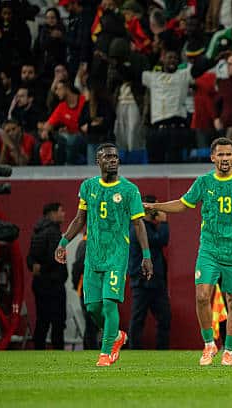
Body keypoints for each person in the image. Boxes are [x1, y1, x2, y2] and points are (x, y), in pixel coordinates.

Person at [144, 137, 232, 366]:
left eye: (228, 155)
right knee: (202, 295)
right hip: (210, 249)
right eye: (220, 155)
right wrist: (156, 206)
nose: (225, 159)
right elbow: (184, 204)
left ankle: (229, 351)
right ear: (212, 157)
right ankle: (209, 345)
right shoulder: (204, 182)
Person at [54, 143, 153, 366]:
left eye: (115, 157)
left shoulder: (129, 190)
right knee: (93, 308)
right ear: (97, 161)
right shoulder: (88, 187)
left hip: (117, 256)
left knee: (109, 304)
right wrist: (63, 242)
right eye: (107, 157)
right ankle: (116, 335)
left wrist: (146, 255)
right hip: (93, 256)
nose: (113, 160)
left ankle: (105, 353)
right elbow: (80, 218)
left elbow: (138, 223)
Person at [128, 195, 171, 350]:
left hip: (156, 281)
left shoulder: (150, 227)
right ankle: (134, 349)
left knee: (164, 317)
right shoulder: (137, 227)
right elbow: (161, 240)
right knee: (138, 318)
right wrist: (164, 222)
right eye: (156, 206)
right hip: (142, 281)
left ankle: (162, 350)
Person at [27, 203, 67, 350]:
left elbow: (30, 258)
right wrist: (45, 268)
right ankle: (58, 353)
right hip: (53, 284)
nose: (63, 214)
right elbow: (55, 257)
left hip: (39, 283)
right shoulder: (53, 232)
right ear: (52, 213)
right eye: (61, 211)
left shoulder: (37, 232)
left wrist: (36, 268)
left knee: (42, 321)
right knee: (58, 322)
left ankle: (38, 352)